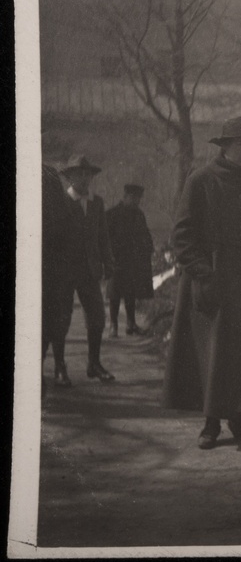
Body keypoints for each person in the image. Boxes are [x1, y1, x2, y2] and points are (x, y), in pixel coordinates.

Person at [163, 116, 241, 450]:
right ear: (225, 146)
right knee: (216, 355)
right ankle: (211, 423)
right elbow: (182, 237)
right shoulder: (201, 181)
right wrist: (204, 273)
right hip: (213, 282)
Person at [59, 155, 116, 383]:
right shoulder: (62, 202)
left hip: (90, 270)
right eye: (78, 174)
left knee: (97, 318)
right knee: (61, 319)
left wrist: (108, 262)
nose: (84, 179)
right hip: (65, 271)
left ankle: (94, 363)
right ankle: (60, 367)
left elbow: (103, 236)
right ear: (69, 177)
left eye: (87, 174)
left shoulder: (97, 203)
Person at [42, 163, 76, 393]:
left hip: (52, 268)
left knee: (55, 318)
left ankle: (58, 365)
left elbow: (65, 233)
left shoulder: (51, 179)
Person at [106, 184, 154, 337]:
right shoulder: (112, 214)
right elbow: (105, 238)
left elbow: (145, 235)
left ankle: (131, 324)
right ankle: (113, 325)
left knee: (131, 293)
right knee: (114, 294)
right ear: (125, 196)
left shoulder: (139, 215)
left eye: (138, 199)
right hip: (116, 260)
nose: (136, 201)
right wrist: (109, 257)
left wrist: (148, 250)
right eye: (133, 198)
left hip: (133, 261)